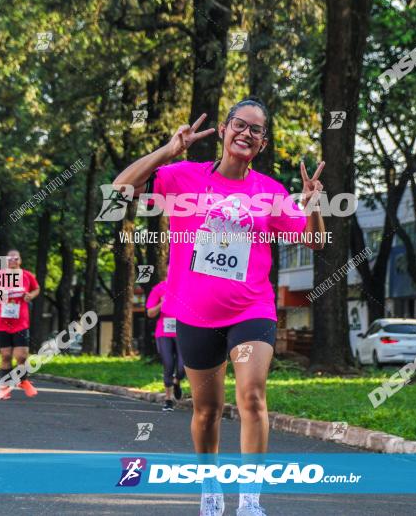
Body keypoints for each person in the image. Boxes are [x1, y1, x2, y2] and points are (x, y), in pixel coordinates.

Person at [113, 98, 326, 516]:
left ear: (262, 144)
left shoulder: (271, 193)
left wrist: (313, 203)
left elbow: (315, 242)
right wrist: (168, 150)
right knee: (206, 411)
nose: (246, 133)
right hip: (194, 314)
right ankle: (210, 487)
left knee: (252, 396)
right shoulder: (183, 178)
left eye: (256, 130)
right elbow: (121, 189)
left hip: (251, 311)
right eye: (240, 125)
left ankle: (250, 500)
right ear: (226, 131)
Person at [0, 250, 40, 400]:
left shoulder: (27, 275)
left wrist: (31, 295)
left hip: (21, 322)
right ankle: (4, 387)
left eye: (15, 258)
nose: (12, 261)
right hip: (2, 323)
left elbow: (37, 288)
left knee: (22, 356)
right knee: (6, 356)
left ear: (20, 260)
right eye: (9, 258)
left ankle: (22, 381)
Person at [145, 275, 185, 411]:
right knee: (168, 364)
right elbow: (150, 313)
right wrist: (162, 303)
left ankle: (177, 381)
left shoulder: (186, 285)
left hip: (183, 331)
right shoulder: (159, 288)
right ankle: (168, 400)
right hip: (164, 333)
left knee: (182, 367)